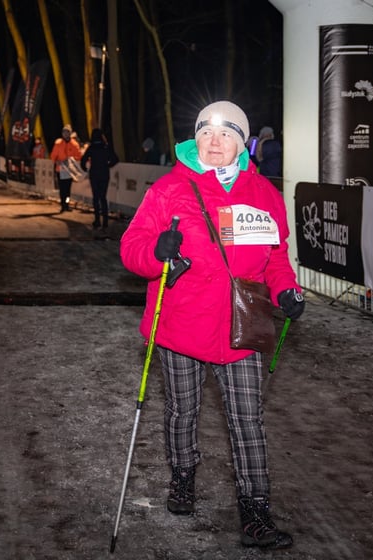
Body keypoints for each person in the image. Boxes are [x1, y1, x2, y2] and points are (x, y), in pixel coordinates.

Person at [120, 100, 304, 550]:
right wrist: (156, 252)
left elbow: (276, 256)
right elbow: (132, 247)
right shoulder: (169, 189)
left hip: (242, 324)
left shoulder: (264, 194)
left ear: (242, 143)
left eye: (225, 134)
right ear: (195, 139)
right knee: (182, 411)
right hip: (181, 322)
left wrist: (286, 290)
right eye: (206, 133)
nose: (215, 141)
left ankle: (255, 512)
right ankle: (183, 477)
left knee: (248, 420)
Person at [80, 128, 119, 230]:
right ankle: (105, 222)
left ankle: (97, 220)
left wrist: (85, 168)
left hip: (94, 174)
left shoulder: (92, 147)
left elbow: (83, 160)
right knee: (103, 197)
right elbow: (115, 159)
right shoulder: (106, 147)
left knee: (96, 197)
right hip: (104, 174)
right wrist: (108, 165)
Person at [50, 124, 82, 212]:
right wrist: (56, 161)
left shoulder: (74, 144)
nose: (65, 134)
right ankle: (63, 205)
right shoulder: (58, 144)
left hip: (70, 171)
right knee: (62, 189)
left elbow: (79, 156)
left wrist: (71, 160)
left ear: (70, 133)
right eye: (64, 132)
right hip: (60, 170)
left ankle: (67, 204)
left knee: (68, 189)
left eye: (67, 132)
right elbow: (53, 156)